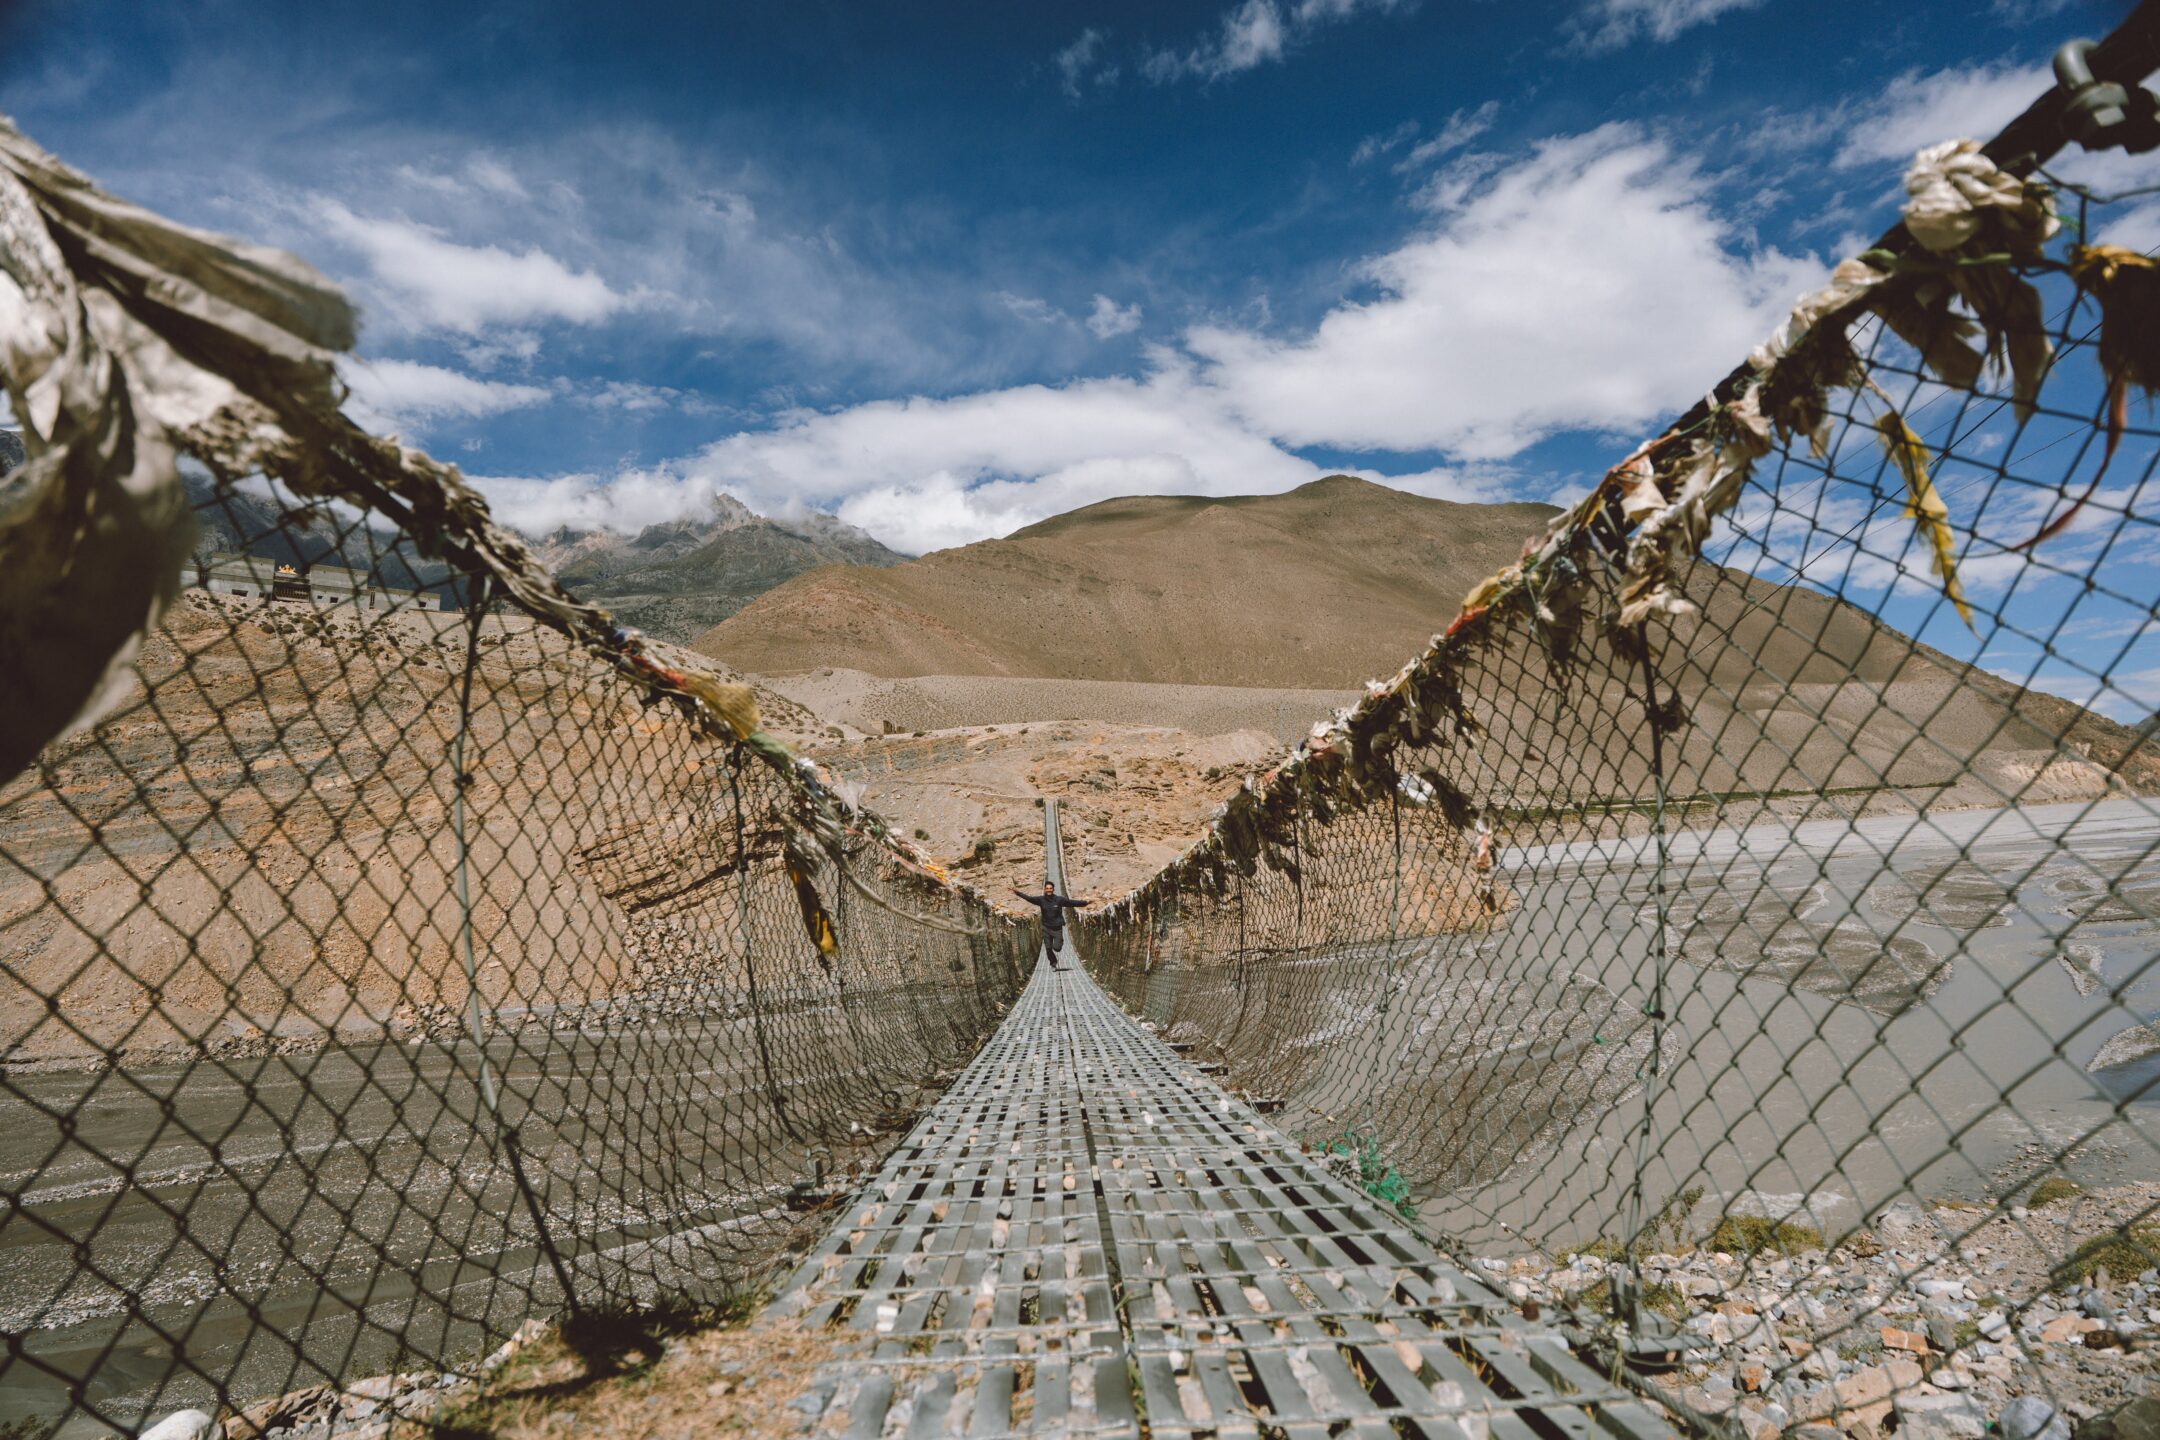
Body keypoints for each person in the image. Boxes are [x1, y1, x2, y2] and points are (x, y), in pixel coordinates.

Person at [1012, 881, 1089, 969]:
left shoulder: (1059, 899)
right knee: (1048, 948)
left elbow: (1071, 903)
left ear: (1053, 889)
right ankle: (1053, 962)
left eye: (1050, 888)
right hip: (1046, 927)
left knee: (1057, 948)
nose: (1049, 890)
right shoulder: (1040, 900)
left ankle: (1059, 941)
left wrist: (1085, 903)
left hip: (1057, 928)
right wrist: (1017, 893)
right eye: (1047, 888)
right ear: (1045, 889)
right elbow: (1029, 898)